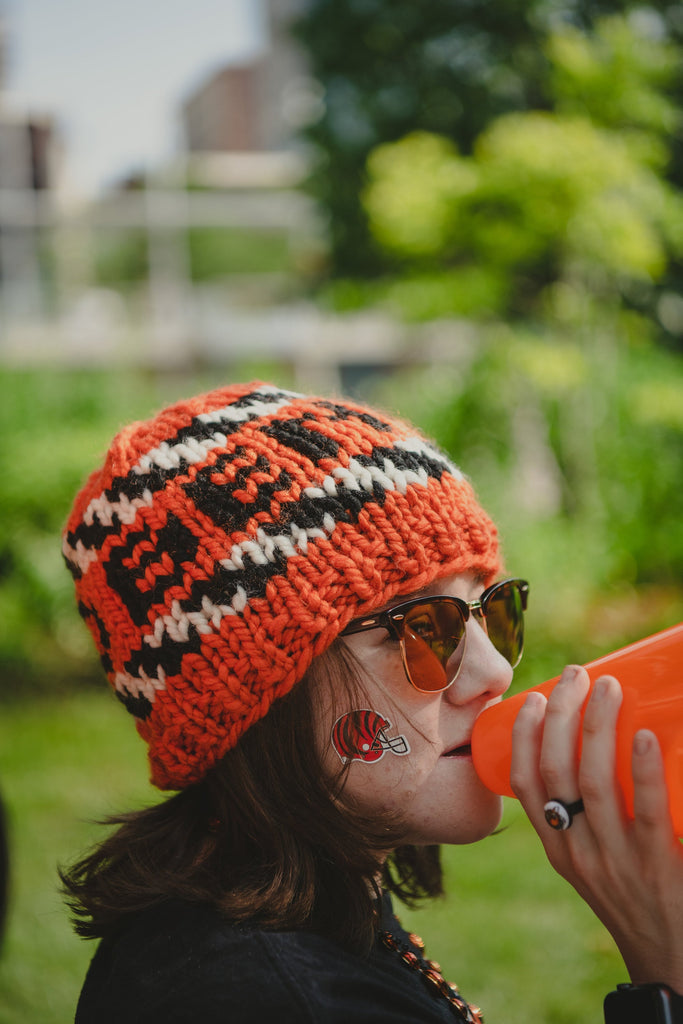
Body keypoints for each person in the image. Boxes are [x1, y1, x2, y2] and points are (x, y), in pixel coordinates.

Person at [60, 381, 683, 1023]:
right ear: (256, 695)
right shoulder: (271, 1000)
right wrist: (668, 973)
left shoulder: (304, 907)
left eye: (490, 609)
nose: (495, 672)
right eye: (417, 627)